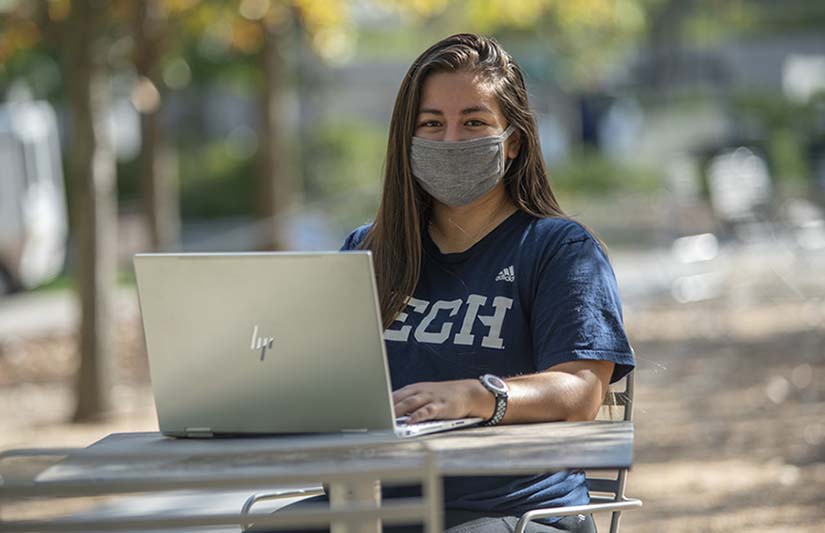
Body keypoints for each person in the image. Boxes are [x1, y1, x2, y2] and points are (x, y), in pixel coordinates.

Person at [267, 32, 635, 533]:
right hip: (372, 502)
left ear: (514, 141)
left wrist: (477, 396)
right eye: (432, 124)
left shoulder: (559, 249)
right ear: (408, 140)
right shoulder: (367, 251)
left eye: (474, 122)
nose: (451, 140)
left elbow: (579, 391)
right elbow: (328, 378)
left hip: (513, 511)